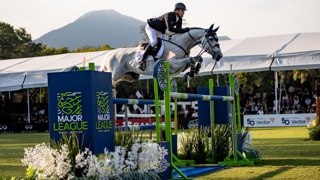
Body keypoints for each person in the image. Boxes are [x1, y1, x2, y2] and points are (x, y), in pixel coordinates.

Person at [138, 2, 189, 70]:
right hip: (151, 27)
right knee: (154, 41)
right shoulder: (169, 15)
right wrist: (183, 30)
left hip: (160, 30)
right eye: (182, 10)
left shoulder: (179, 19)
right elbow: (170, 28)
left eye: (184, 11)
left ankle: (157, 57)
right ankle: (142, 61)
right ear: (176, 10)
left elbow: (178, 31)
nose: (183, 12)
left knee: (166, 42)